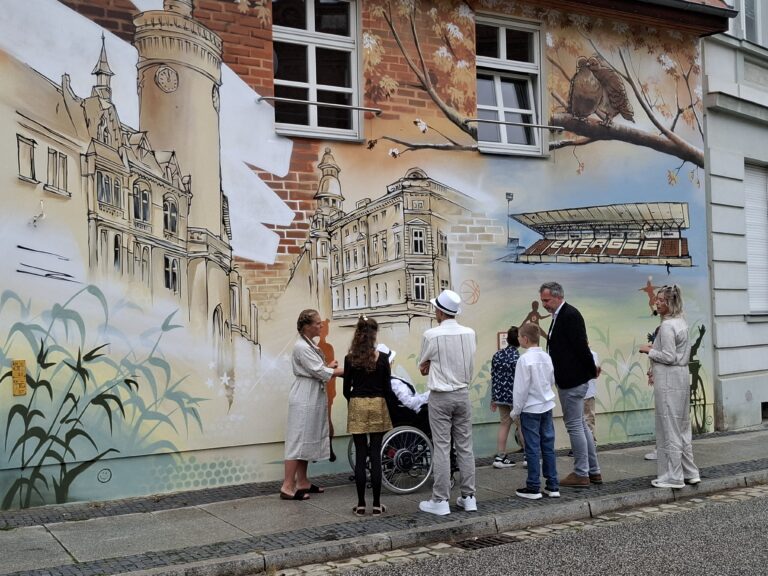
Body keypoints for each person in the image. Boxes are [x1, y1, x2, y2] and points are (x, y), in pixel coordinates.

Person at [417, 289, 477, 516]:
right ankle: (469, 496)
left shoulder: (431, 335)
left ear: (440, 312)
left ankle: (440, 499)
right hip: (463, 393)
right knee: (465, 446)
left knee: (442, 446)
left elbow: (423, 366)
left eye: (436, 309)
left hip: (441, 395)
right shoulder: (470, 333)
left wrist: (431, 365)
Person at [540, 281, 601, 488]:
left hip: (572, 380)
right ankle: (593, 471)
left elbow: (581, 346)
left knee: (575, 425)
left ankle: (581, 473)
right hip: (572, 378)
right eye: (542, 301)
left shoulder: (569, 315)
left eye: (546, 300)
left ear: (558, 296)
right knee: (581, 424)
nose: (544, 305)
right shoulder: (561, 315)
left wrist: (591, 370)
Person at [639, 285, 700, 489]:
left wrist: (648, 350)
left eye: (661, 300)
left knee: (669, 426)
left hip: (668, 379)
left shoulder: (667, 326)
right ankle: (690, 471)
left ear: (669, 303)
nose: (656, 302)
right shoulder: (681, 321)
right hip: (681, 377)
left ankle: (673, 476)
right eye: (657, 299)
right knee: (681, 425)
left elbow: (668, 356)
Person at [281, 309, 343, 501]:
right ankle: (287, 485)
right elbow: (319, 372)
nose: (321, 325)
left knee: (305, 438)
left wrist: (328, 367)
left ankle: (302, 481)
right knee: (297, 439)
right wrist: (347, 368)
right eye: (317, 323)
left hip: (311, 394)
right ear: (307, 327)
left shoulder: (309, 344)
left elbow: (318, 369)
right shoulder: (302, 347)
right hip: (304, 397)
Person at [343, 316, 393, 515]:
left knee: (361, 455)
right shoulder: (382, 358)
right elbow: (388, 389)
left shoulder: (350, 358)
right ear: (374, 334)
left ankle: (361, 504)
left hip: (357, 404)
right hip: (378, 404)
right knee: (376, 456)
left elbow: (346, 389)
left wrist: (354, 402)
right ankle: (378, 504)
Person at [511, 323, 559, 499]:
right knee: (548, 446)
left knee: (532, 448)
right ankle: (553, 485)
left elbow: (520, 389)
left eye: (519, 337)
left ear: (525, 339)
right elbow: (552, 379)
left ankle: (533, 486)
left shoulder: (524, 360)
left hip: (530, 408)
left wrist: (515, 411)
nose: (518, 339)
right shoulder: (546, 356)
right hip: (546, 405)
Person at [490, 326, 523, 469]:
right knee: (522, 425)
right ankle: (529, 456)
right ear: (519, 340)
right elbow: (522, 380)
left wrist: (493, 397)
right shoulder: (518, 358)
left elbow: (494, 376)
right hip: (514, 397)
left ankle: (500, 457)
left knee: (504, 424)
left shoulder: (497, 355)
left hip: (499, 396)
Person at [584, 344, 601, 444]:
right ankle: (583, 445)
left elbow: (594, 372)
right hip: (578, 393)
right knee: (580, 421)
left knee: (588, 419)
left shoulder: (592, 354)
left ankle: (590, 443)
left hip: (588, 393)